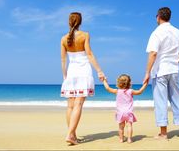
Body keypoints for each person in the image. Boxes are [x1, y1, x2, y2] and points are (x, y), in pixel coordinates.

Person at [143, 7, 179, 139]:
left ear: (158, 17)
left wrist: (147, 72)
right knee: (176, 99)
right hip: (174, 70)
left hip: (160, 71)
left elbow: (153, 53)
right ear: (169, 17)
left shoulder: (156, 33)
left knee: (160, 101)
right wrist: (174, 64)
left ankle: (163, 133)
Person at [61, 12, 105, 145]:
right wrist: (99, 71)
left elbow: (63, 60)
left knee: (70, 106)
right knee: (78, 104)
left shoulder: (63, 39)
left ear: (69, 22)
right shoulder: (85, 35)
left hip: (71, 72)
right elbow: (89, 54)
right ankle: (70, 134)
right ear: (80, 22)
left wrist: (65, 76)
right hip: (83, 71)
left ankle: (72, 135)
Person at [102, 74, 148, 143]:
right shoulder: (131, 91)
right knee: (129, 126)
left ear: (118, 83)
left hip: (120, 113)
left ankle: (121, 139)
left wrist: (104, 81)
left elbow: (108, 88)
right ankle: (129, 139)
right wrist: (145, 83)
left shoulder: (117, 91)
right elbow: (140, 91)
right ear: (129, 83)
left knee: (121, 127)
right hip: (128, 112)